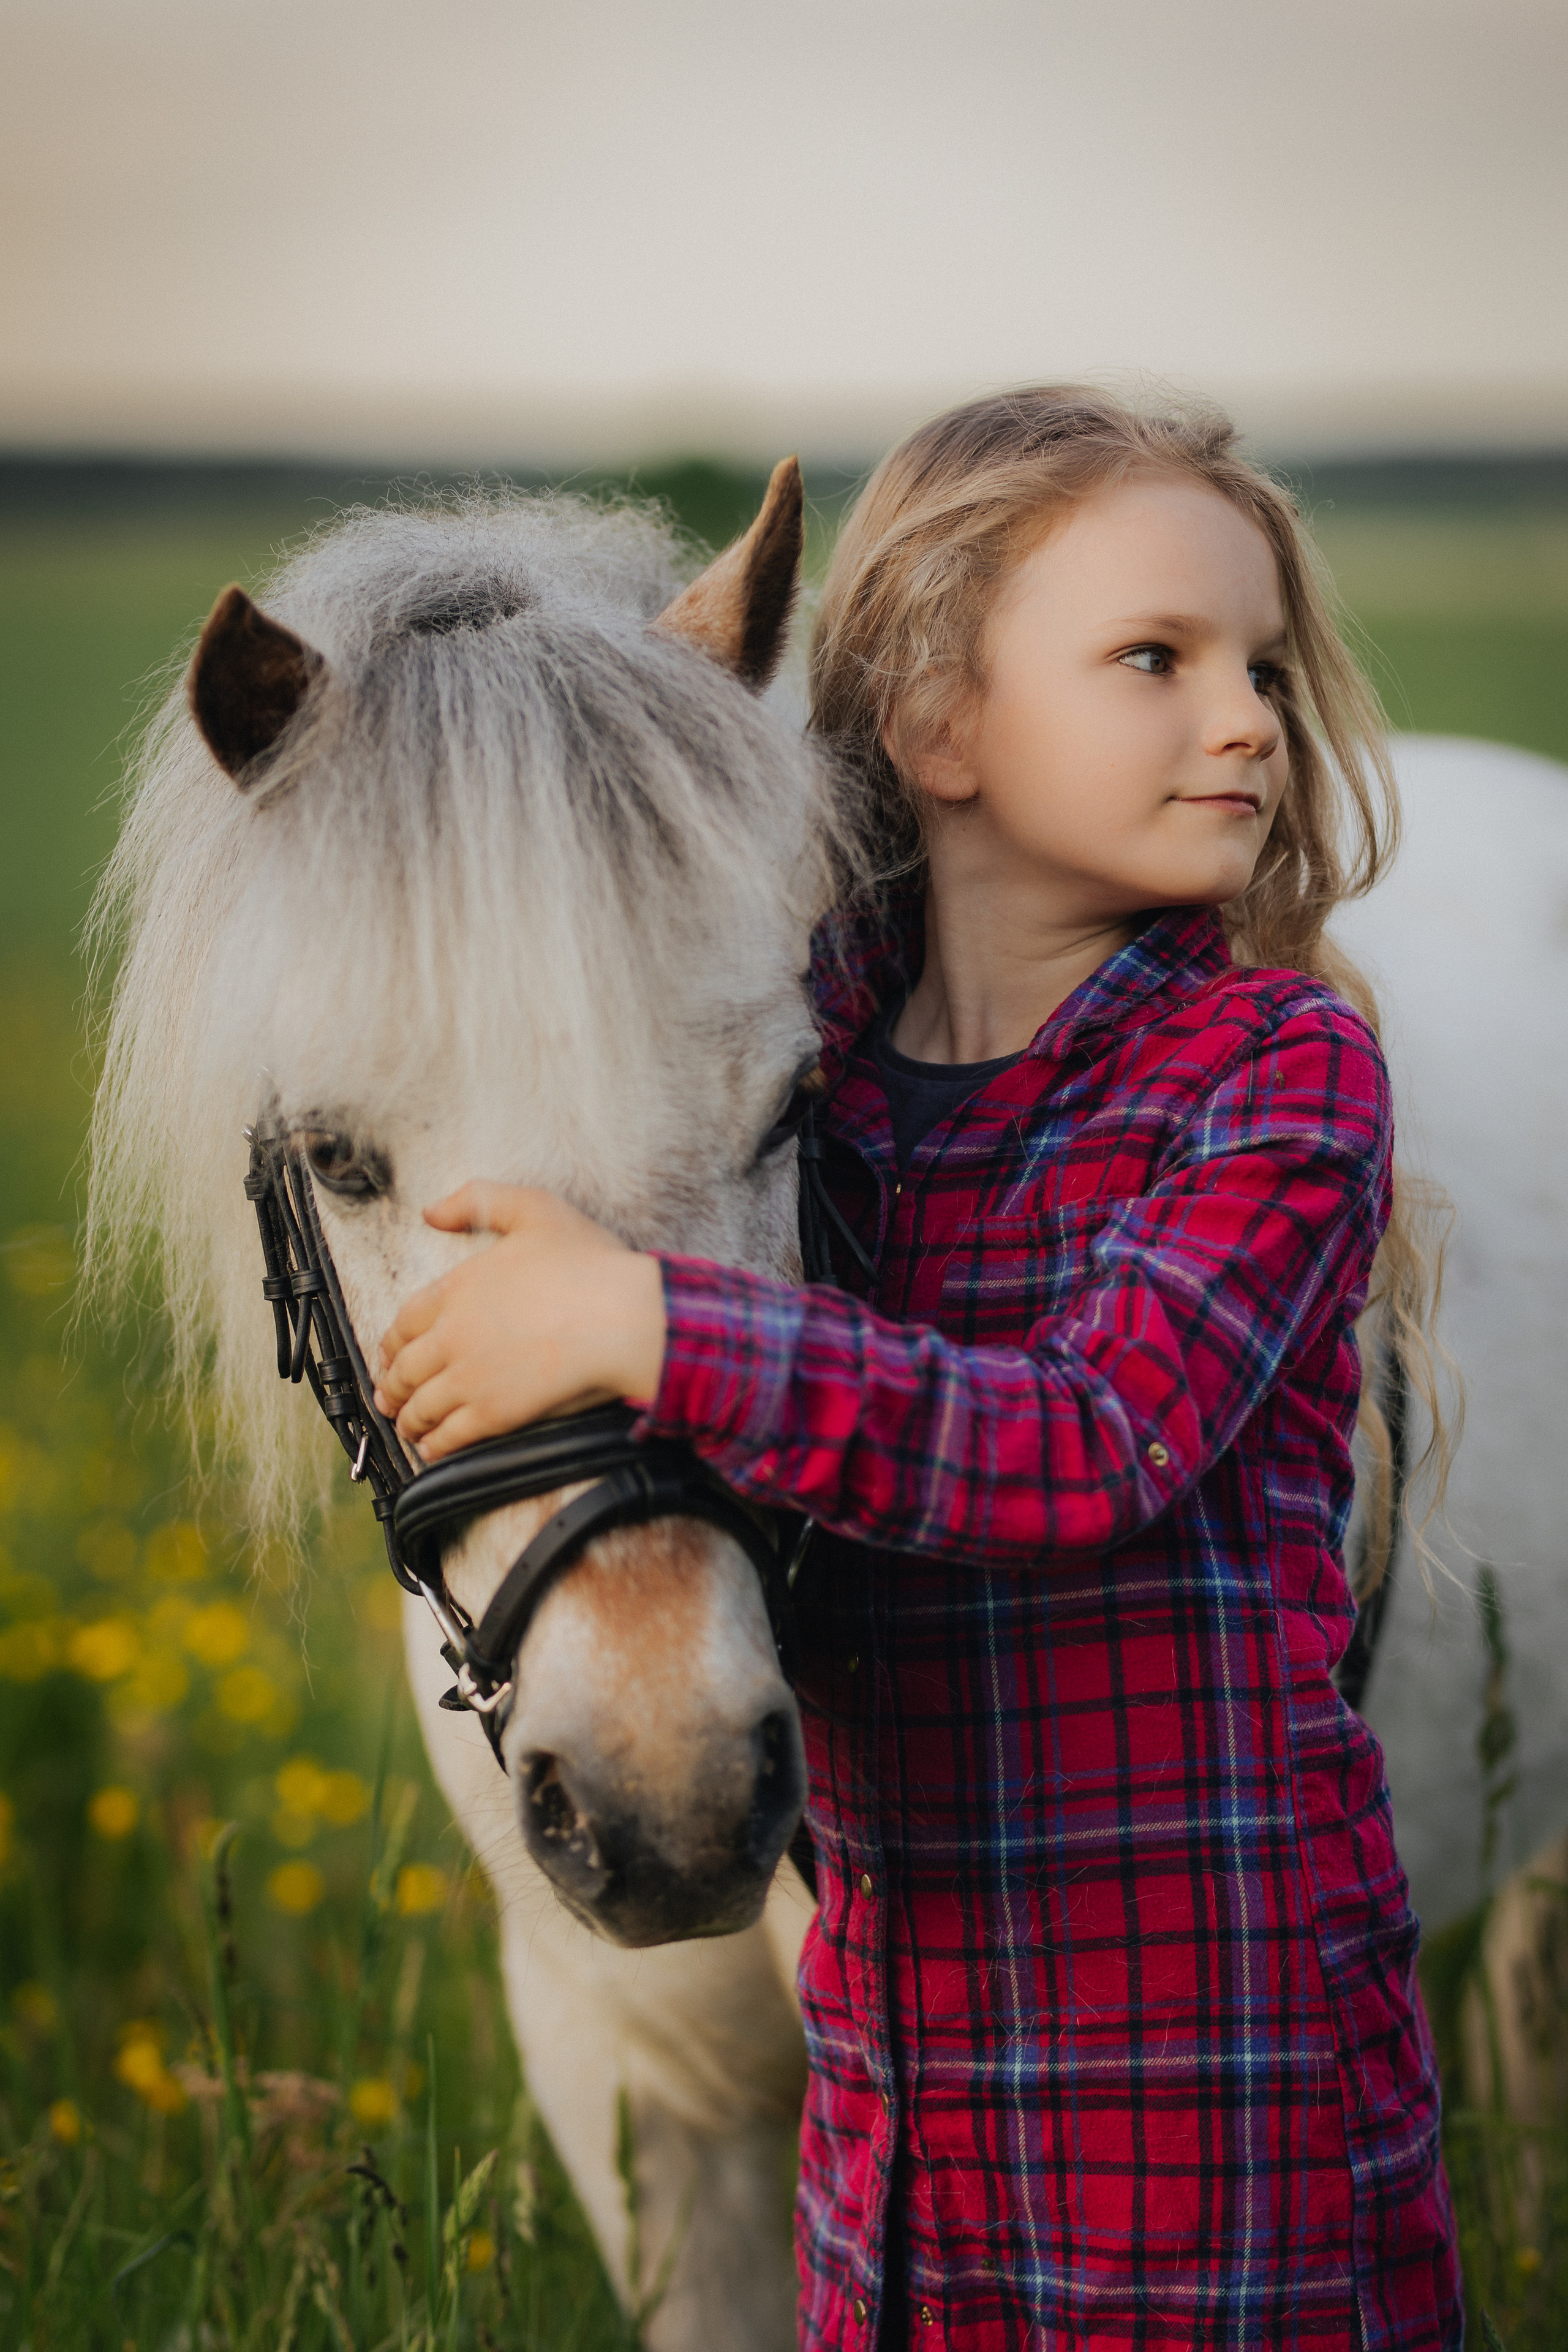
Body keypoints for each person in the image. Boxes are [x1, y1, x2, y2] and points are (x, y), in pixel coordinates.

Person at [374, 388, 1461, 2349]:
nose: (1249, 722)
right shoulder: (819, 1077)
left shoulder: (1277, 1076)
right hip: (909, 2142)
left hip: (1211, 2116)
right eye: (1157, 658)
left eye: (1266, 670)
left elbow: (1097, 1437)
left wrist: (647, 1322)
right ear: (936, 726)